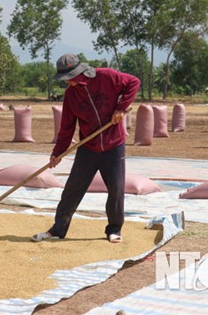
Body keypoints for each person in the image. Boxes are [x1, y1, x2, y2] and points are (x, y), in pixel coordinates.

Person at [31, 54, 140, 244]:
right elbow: (66, 128)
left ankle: (114, 229)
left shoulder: (107, 76)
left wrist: (121, 108)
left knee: (116, 189)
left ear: (79, 72)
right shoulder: (70, 95)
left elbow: (134, 82)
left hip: (113, 144)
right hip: (88, 148)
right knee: (72, 189)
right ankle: (58, 229)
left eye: (70, 78)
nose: (68, 82)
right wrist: (57, 153)